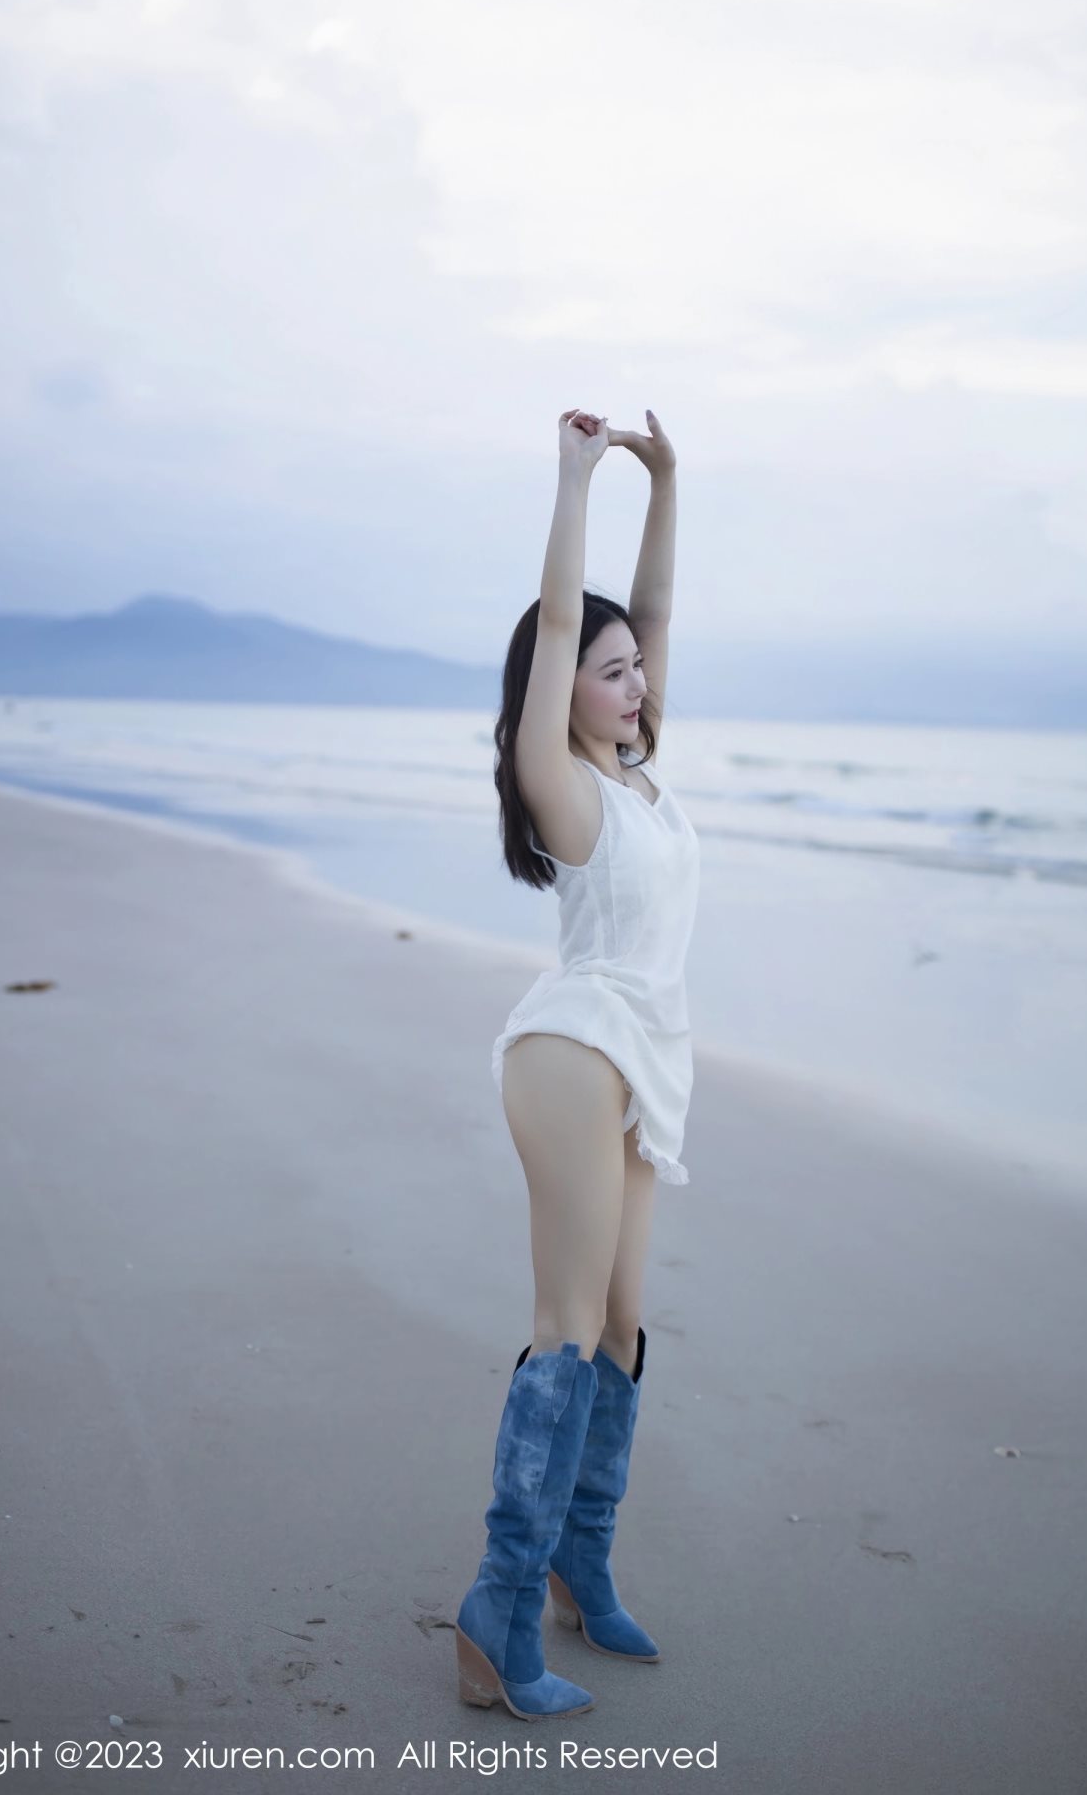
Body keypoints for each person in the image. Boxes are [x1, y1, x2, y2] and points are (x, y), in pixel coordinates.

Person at [454, 406, 701, 1720]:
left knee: (619, 1328)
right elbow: (565, 624)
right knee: (562, 1327)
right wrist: (575, 476)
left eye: (637, 671)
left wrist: (666, 482)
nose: (636, 682)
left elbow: (642, 617)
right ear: (565, 692)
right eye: (613, 673)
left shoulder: (642, 774)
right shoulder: (561, 781)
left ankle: (577, 1568)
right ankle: (496, 1616)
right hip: (571, 1049)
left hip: (644, 1059)